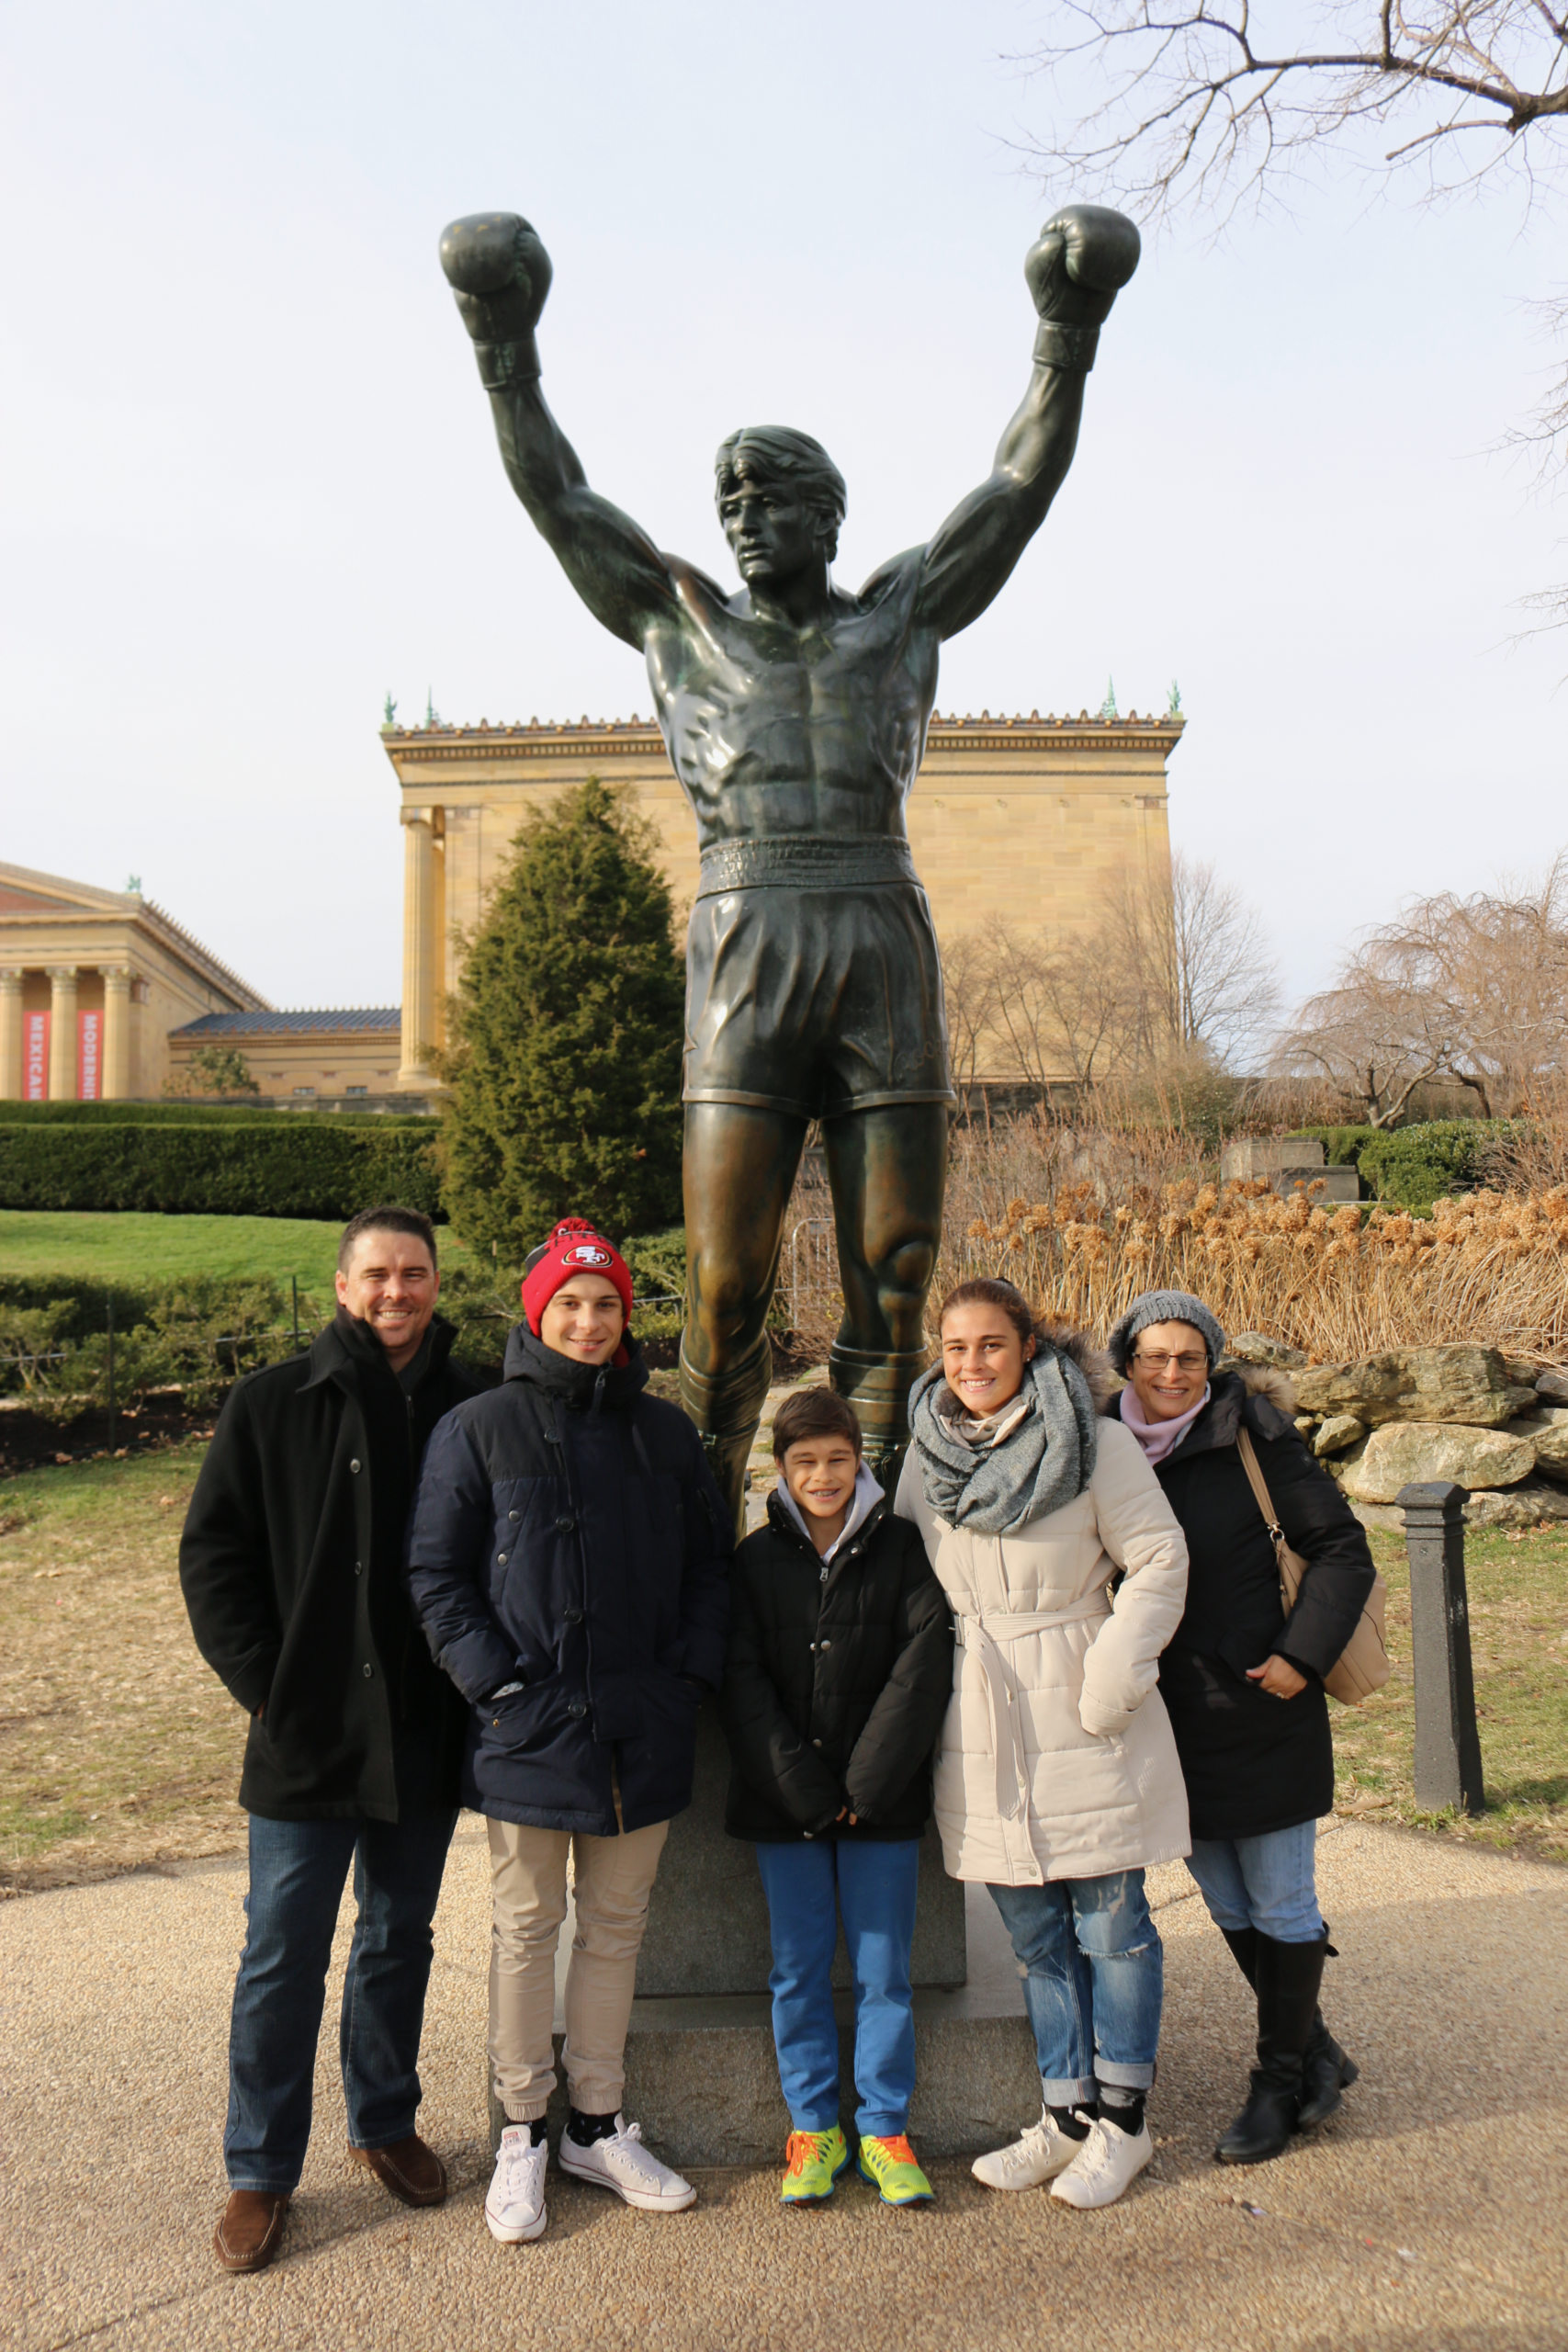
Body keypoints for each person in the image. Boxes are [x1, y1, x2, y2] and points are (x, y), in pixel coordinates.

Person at [435, 201, 1140, 1522]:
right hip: (745, 932)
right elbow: (556, 496)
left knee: (896, 1262)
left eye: (771, 498)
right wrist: (504, 344)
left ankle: (873, 1525)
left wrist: (1063, 337)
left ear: (829, 514)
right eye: (729, 502)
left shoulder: (901, 618)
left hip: (877, 927)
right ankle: (701, 1530)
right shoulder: (675, 619)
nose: (746, 519)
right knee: (720, 1280)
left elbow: (1014, 491)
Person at [403, 1218, 731, 2246]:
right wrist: (495, 1687)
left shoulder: (667, 1433)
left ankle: (596, 2119)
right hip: (528, 1729)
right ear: (537, 1310)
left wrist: (682, 1677)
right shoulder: (480, 1427)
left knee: (617, 1926)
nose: (589, 1322)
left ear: (627, 1318)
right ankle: (522, 2130)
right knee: (525, 1927)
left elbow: (709, 1571)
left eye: (607, 1305)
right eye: (570, 1304)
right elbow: (437, 1575)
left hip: (644, 1723)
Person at [179, 1204, 482, 2276]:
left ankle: (383, 2118)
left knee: (399, 1938)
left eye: (415, 1274)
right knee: (281, 1955)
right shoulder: (271, 1402)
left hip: (421, 1729)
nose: (396, 1293)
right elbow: (213, 1558)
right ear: (342, 1286)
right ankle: (259, 2171)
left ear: (435, 1283)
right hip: (306, 1734)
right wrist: (268, 1687)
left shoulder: (473, 1399)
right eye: (376, 1276)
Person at [897, 1277, 1190, 2211]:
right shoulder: (927, 1455)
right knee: (1034, 1936)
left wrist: (1112, 1675)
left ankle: (1125, 2119)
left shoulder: (1094, 1441)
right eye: (955, 1347)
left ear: (1028, 1345)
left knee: (1113, 1925)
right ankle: (1064, 2112)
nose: (973, 1363)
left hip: (1082, 1693)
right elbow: (901, 1576)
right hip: (980, 1710)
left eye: (991, 1343)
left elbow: (1159, 1559)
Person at [1105, 1289, 1376, 2165]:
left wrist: (1301, 1655)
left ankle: (1276, 2082)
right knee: (1225, 1901)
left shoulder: (1252, 1434)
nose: (1172, 1374)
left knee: (1281, 1898)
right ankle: (1316, 2054)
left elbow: (1339, 1547)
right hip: (1171, 1719)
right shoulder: (1105, 1449)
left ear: (1210, 1363)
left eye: (1190, 1357)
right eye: (1155, 1357)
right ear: (1127, 1363)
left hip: (1264, 1701)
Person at [720, 1387, 953, 2210]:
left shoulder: (900, 1549)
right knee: (797, 1970)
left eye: (838, 1460)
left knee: (885, 1970)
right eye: (805, 1461)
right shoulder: (752, 1561)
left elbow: (922, 1666)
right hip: (787, 1809)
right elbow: (741, 1686)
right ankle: (813, 2126)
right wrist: (808, 1790)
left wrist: (862, 1786)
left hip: (877, 1805)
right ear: (780, 1469)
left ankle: (884, 2128)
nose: (823, 1476)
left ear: (862, 1462)